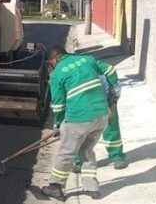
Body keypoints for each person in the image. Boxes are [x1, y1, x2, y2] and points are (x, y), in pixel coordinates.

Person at [42, 46, 119, 200]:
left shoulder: (57, 74)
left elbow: (58, 106)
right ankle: (91, 187)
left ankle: (55, 186)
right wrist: (113, 92)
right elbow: (110, 70)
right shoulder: (87, 59)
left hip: (79, 118)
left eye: (50, 64)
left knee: (66, 152)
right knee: (87, 151)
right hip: (101, 115)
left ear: (54, 60)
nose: (50, 66)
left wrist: (58, 125)